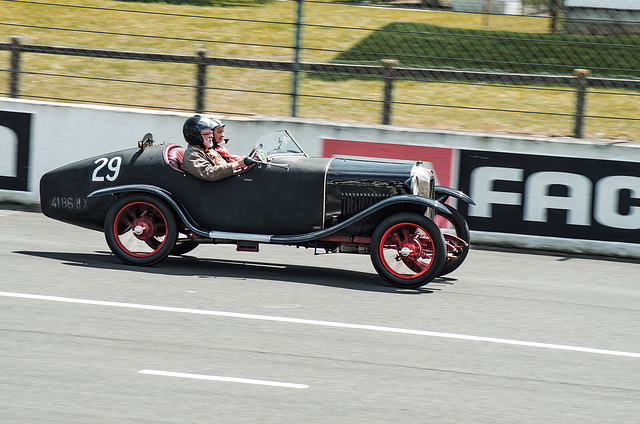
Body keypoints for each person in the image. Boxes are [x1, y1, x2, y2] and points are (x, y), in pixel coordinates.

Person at [181, 115, 247, 181]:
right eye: (207, 134)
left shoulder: (209, 151)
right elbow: (209, 173)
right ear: (195, 136)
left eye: (211, 133)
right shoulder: (192, 154)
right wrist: (238, 164)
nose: (211, 136)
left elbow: (224, 166)